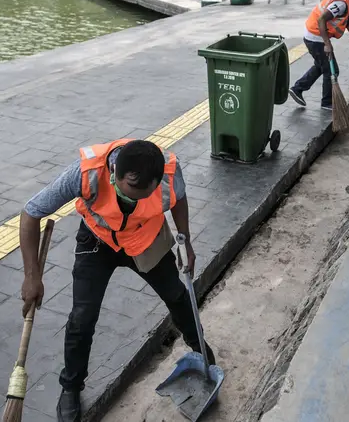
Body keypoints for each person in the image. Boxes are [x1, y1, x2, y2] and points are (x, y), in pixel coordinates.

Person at [19, 139, 215, 422]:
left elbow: (178, 197)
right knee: (82, 318)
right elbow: (30, 213)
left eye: (142, 195)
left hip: (145, 239)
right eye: (129, 193)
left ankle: (201, 351)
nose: (134, 200)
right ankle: (71, 387)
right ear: (114, 173)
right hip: (98, 240)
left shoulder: (170, 172)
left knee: (177, 296)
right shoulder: (86, 173)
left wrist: (185, 240)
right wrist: (32, 276)